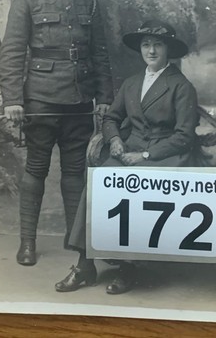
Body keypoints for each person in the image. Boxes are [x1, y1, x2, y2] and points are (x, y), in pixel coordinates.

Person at [55, 19, 200, 294]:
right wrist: (115, 139)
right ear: (140, 49)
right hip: (130, 150)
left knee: (135, 189)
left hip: (165, 155)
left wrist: (145, 154)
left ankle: (128, 268)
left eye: (158, 45)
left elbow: (184, 137)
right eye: (147, 45)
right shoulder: (132, 83)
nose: (152, 51)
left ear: (168, 49)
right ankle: (85, 265)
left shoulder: (181, 86)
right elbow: (112, 117)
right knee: (98, 183)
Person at [0, 0, 113, 266]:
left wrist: (105, 96)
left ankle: (76, 243)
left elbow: (100, 53)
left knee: (75, 170)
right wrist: (13, 100)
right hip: (42, 100)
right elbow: (12, 53)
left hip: (80, 100)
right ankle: (28, 242)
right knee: (36, 167)